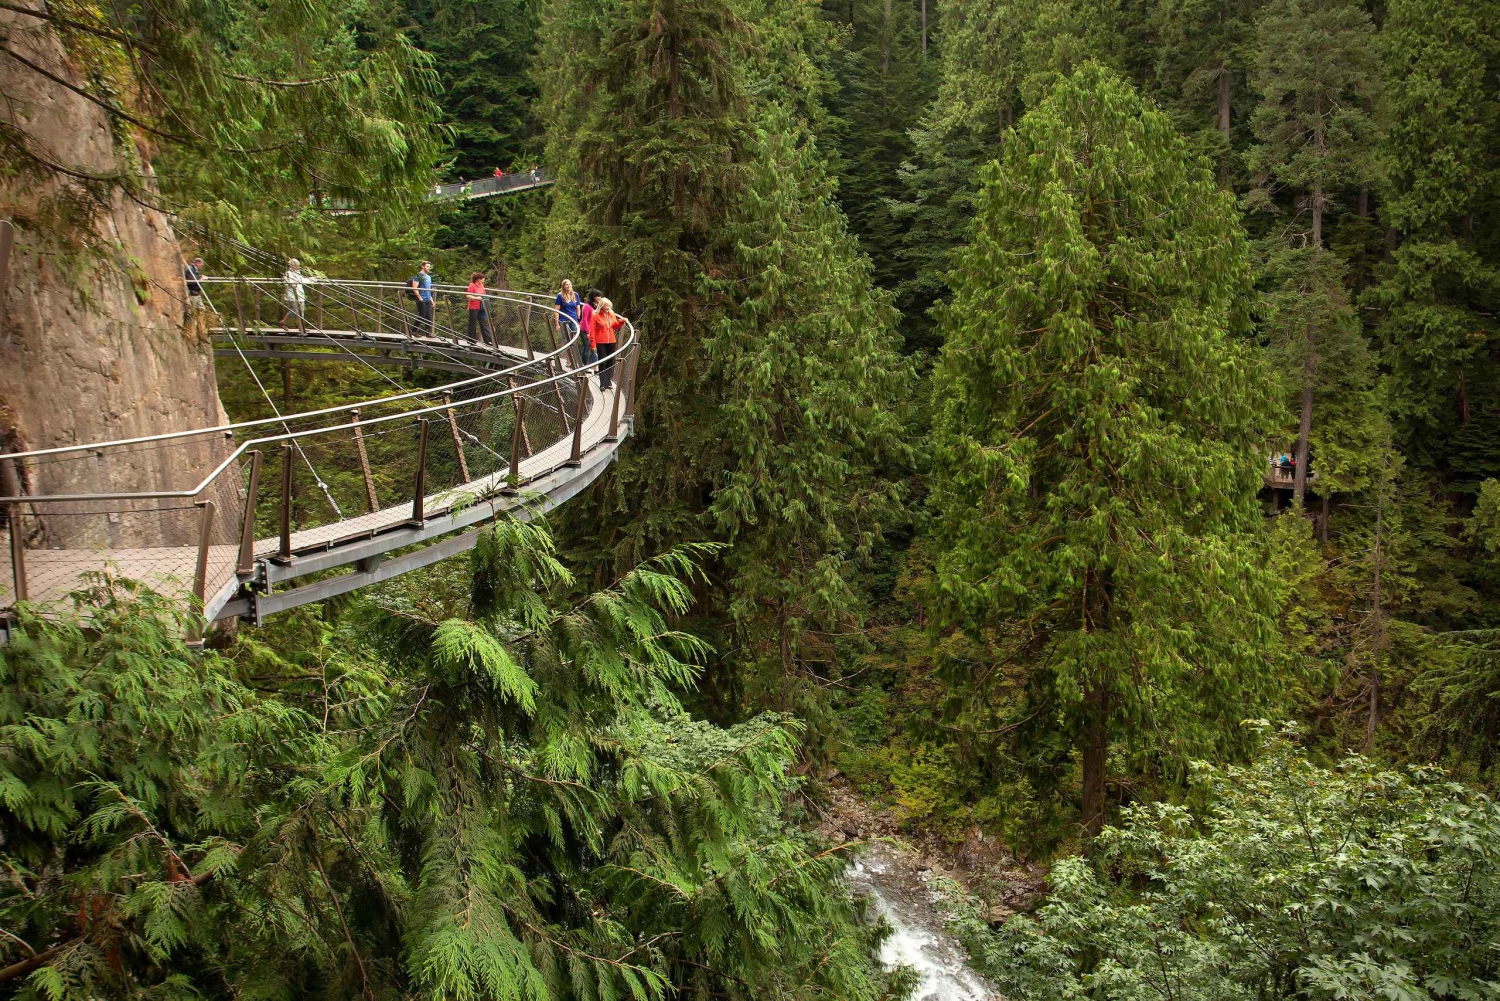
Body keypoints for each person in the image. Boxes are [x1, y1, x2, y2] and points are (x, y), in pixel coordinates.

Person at [591, 297, 624, 391]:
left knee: (610, 361)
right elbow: (592, 330)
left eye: (609, 307)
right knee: (602, 362)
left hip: (611, 341)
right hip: (600, 341)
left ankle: (608, 381)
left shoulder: (612, 314)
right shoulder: (595, 315)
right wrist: (593, 344)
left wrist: (621, 322)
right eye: (606, 307)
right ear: (601, 307)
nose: (608, 309)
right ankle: (602, 383)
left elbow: (614, 326)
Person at [554, 280, 584, 362]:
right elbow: (556, 310)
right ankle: (569, 360)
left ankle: (574, 359)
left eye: (569, 284)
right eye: (566, 285)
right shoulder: (560, 296)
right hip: (563, 321)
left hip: (573, 320)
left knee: (574, 339)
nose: (568, 286)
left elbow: (578, 308)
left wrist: (579, 319)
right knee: (567, 340)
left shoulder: (575, 295)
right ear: (563, 286)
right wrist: (557, 324)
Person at [281, 258, 311, 330]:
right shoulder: (288, 273)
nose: (297, 267)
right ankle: (283, 322)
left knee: (301, 310)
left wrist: (312, 279)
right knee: (294, 310)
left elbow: (302, 280)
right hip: (292, 295)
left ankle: (301, 327)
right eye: (296, 265)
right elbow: (286, 282)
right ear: (292, 265)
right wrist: (292, 284)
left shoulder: (298, 273)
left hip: (299, 294)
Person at [466, 271, 493, 346]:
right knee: (473, 323)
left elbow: (484, 294)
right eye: (482, 279)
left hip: (482, 307)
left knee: (483, 322)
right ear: (478, 279)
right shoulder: (472, 285)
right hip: (474, 307)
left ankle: (488, 341)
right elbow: (468, 296)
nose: (483, 280)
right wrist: (477, 298)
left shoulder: (482, 285)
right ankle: (471, 340)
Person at [408, 260, 434, 337]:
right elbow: (414, 287)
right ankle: (414, 330)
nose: (428, 268)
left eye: (429, 267)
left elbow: (428, 289)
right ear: (422, 266)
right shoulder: (418, 276)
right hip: (421, 299)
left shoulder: (429, 277)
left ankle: (428, 333)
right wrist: (419, 297)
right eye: (427, 266)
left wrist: (431, 300)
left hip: (428, 299)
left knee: (428, 316)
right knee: (422, 315)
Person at [580, 290, 600, 366]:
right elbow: (584, 319)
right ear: (593, 297)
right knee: (587, 346)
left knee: (594, 348)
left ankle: (594, 367)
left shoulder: (596, 305)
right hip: (584, 329)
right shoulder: (586, 306)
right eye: (598, 296)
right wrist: (588, 332)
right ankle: (585, 365)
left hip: (592, 330)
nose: (599, 298)